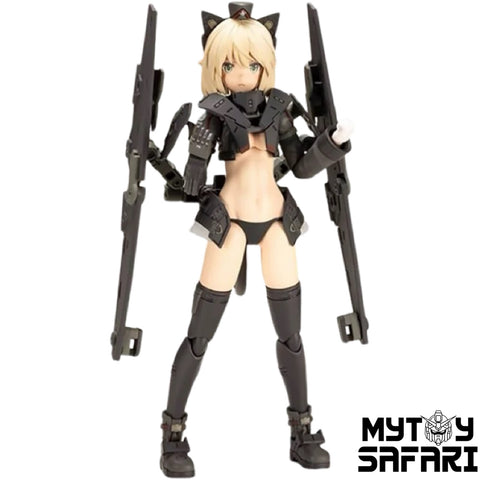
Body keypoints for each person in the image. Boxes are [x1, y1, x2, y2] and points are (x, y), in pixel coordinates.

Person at [159, 3, 352, 477]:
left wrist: (330, 145)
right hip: (229, 221)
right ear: (216, 67)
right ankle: (172, 434)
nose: (242, 73)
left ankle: (301, 431)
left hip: (277, 220)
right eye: (229, 64)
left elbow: (301, 167)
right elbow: (193, 180)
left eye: (251, 63)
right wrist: (177, 163)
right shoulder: (213, 114)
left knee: (291, 334)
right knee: (200, 334)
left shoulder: (279, 109)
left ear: (265, 63)